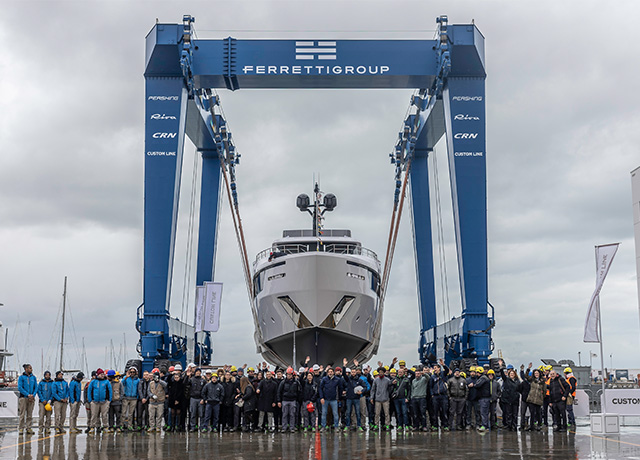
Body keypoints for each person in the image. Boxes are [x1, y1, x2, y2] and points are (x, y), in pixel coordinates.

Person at [87, 368, 112, 433]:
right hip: (95, 402)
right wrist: (90, 400)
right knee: (94, 415)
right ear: (98, 375)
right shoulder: (93, 382)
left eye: (103, 374)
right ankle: (92, 427)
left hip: (104, 402)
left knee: (104, 415)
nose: (102, 375)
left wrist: (109, 400)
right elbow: (89, 391)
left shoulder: (106, 382)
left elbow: (110, 391)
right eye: (101, 374)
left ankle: (105, 426)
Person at [278, 367, 301, 432]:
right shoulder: (283, 382)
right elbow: (279, 392)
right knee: (284, 414)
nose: (289, 376)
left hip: (293, 400)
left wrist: (297, 399)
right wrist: (279, 401)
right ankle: (284, 427)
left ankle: (292, 427)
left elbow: (299, 391)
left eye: (290, 374)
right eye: (288, 374)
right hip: (285, 400)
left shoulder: (296, 382)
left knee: (292, 415)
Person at [429, 362, 450, 430]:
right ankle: (435, 425)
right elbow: (430, 387)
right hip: (435, 396)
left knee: (444, 411)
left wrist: (443, 365)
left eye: (436, 368)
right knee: (435, 412)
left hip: (443, 396)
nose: (434, 369)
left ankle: (445, 425)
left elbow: (447, 370)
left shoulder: (443, 374)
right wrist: (432, 394)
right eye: (434, 368)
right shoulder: (432, 377)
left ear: (439, 368)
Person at [18, 363, 37, 435]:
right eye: (30, 368)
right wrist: (27, 394)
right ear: (26, 369)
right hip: (23, 398)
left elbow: (36, 387)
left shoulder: (33, 378)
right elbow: (20, 388)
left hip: (31, 398)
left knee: (30, 414)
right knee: (22, 414)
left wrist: (33, 395)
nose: (31, 369)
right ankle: (21, 428)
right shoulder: (21, 377)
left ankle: (28, 428)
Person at [499, 365, 520, 431]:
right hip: (508, 400)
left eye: (513, 374)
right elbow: (502, 375)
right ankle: (509, 425)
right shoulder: (506, 380)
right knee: (508, 414)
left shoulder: (517, 381)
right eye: (510, 374)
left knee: (515, 414)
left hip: (515, 400)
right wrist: (501, 367)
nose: (512, 375)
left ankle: (514, 425)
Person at [146, 368, 167, 432]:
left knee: (159, 415)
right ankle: (152, 426)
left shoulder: (162, 383)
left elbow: (165, 385)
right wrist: (152, 395)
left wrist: (159, 380)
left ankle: (158, 427)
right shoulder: (151, 383)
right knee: (151, 416)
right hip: (152, 402)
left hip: (160, 402)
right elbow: (148, 391)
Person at [470, 367, 490, 432]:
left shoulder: (483, 378)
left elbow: (478, 385)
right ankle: (485, 426)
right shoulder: (484, 378)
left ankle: (484, 426)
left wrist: (473, 385)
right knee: (485, 413)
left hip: (484, 398)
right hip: (484, 398)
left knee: (483, 413)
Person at [525, 366, 545, 431]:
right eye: (535, 373)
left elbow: (544, 390)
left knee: (538, 413)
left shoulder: (542, 381)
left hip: (538, 399)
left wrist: (542, 396)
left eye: (537, 373)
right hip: (532, 399)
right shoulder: (532, 380)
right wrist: (528, 369)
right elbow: (526, 376)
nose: (536, 374)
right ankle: (531, 426)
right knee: (532, 413)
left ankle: (539, 425)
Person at [121, 367, 140, 431]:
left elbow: (139, 389)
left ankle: (130, 425)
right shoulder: (125, 378)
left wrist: (137, 396)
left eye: (133, 372)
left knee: (131, 413)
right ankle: (122, 425)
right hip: (126, 397)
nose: (132, 373)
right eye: (131, 372)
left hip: (134, 398)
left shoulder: (137, 380)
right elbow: (122, 384)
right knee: (123, 412)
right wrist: (126, 377)